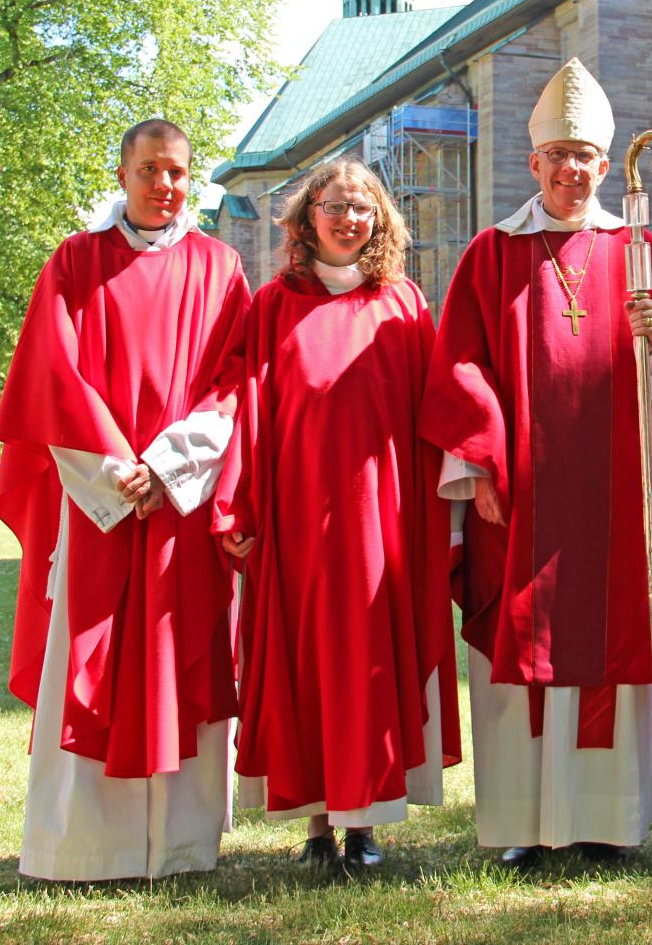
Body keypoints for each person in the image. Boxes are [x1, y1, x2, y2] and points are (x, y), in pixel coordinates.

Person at [419, 58, 652, 866]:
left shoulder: (637, 253)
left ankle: (609, 822)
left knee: (610, 639)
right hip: (524, 495)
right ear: (533, 163)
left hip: (614, 493)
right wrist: (481, 472)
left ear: (605, 168)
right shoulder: (490, 256)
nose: (572, 170)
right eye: (559, 156)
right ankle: (524, 826)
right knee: (521, 646)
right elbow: (461, 368)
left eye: (586, 157)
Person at [0, 119, 251, 880]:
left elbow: (236, 380)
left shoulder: (221, 267)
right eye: (148, 170)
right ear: (123, 172)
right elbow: (52, 377)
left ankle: (180, 843)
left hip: (180, 501)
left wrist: (168, 466)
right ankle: (84, 847)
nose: (163, 185)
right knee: (93, 653)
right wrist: (117, 473)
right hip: (99, 504)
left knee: (183, 654)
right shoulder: (75, 262)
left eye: (176, 172)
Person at [211, 156, 460, 869]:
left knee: (371, 665)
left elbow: (432, 411)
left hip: (382, 518)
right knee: (308, 661)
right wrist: (237, 502)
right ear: (307, 216)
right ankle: (317, 824)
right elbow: (249, 410)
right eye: (334, 205)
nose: (348, 218)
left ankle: (365, 823)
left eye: (362, 208)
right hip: (300, 519)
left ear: (380, 221)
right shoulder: (273, 307)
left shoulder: (404, 304)